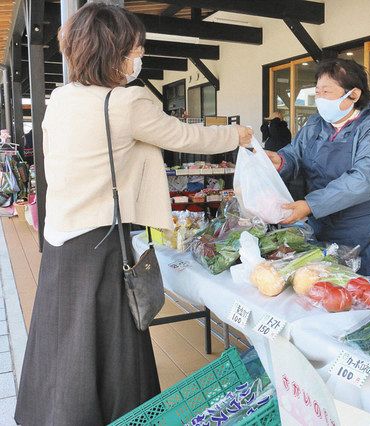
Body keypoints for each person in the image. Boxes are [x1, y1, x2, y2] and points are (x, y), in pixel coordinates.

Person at [14, 3, 253, 425]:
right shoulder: (126, 103)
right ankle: (119, 416)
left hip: (63, 239)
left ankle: (55, 414)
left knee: (64, 334)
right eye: (134, 48)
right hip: (104, 239)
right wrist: (237, 134)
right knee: (114, 341)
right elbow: (186, 135)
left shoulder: (61, 99)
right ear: (114, 52)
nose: (138, 57)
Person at [265, 59, 370, 286]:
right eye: (317, 92)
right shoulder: (315, 124)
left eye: (327, 91)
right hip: (324, 229)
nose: (320, 98)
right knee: (325, 296)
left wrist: (310, 205)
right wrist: (280, 161)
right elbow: (295, 154)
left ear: (354, 94)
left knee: (367, 299)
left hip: (367, 233)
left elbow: (364, 179)